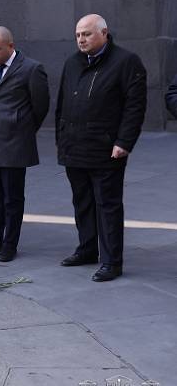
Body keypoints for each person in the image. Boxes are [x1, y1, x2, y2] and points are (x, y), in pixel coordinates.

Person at [56, 14, 147, 282]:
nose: (81, 39)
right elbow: (62, 103)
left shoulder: (126, 62)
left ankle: (111, 261)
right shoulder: (72, 63)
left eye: (86, 34)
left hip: (106, 149)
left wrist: (124, 142)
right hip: (74, 147)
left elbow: (135, 107)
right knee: (82, 203)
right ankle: (86, 249)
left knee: (107, 206)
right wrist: (62, 139)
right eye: (77, 35)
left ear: (104, 33)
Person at [0, 27, 49, 262]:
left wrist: (22, 128)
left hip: (14, 145)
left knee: (12, 198)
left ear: (10, 46)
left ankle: (9, 243)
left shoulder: (31, 69)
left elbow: (41, 106)